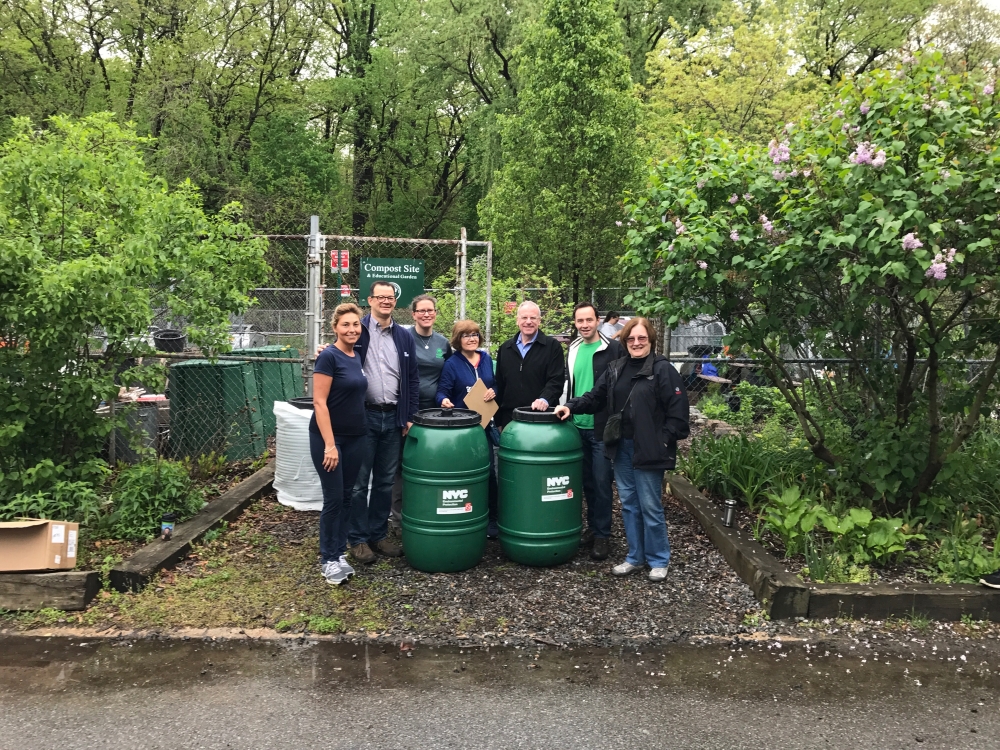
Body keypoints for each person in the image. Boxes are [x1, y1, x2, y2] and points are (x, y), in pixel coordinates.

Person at [554, 317, 689, 582]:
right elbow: (596, 395)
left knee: (650, 505)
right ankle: (635, 557)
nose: (636, 343)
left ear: (651, 340)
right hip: (621, 446)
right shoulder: (616, 367)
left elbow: (678, 414)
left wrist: (662, 440)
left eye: (641, 338)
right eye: (631, 339)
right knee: (628, 504)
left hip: (649, 449)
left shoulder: (662, 370)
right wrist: (571, 406)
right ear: (625, 341)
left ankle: (659, 559)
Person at [348, 280, 420, 565]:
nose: (386, 301)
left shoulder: (403, 337)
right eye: (380, 297)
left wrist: (410, 416)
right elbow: (339, 353)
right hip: (363, 416)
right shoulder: (359, 331)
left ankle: (378, 535)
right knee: (358, 482)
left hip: (393, 418)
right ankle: (357, 538)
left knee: (385, 482)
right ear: (370, 300)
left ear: (395, 302)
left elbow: (412, 380)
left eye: (390, 297)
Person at [309, 303, 368, 585]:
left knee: (347, 497)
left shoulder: (356, 355)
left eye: (355, 324)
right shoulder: (328, 358)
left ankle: (339, 552)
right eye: (345, 325)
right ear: (335, 328)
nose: (352, 329)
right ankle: (327, 560)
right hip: (329, 439)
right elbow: (319, 403)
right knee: (333, 499)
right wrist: (329, 445)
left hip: (356, 436)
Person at [564, 302, 624, 561]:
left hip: (600, 427)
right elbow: (569, 384)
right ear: (575, 323)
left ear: (598, 321)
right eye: (580, 321)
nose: (585, 325)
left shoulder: (613, 349)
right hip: (576, 425)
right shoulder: (573, 348)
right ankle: (590, 528)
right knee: (584, 481)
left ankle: (602, 535)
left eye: (589, 320)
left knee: (601, 483)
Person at [389, 294, 452, 530]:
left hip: (435, 412)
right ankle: (398, 519)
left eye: (430, 310)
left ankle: (429, 510)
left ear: (436, 313)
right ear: (413, 314)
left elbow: (451, 373)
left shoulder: (443, 343)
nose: (426, 314)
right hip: (408, 411)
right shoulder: (403, 338)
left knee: (432, 461)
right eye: (421, 311)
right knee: (402, 463)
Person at [436, 319, 500, 538]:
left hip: (485, 425)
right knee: (466, 473)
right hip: (464, 429)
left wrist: (494, 391)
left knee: (490, 472)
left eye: (474, 334)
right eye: (466, 335)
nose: (471, 338)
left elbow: (496, 383)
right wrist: (444, 400)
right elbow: (441, 391)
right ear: (458, 339)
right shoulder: (452, 363)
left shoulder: (486, 358)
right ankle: (465, 514)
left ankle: (492, 518)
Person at [494, 301, 565, 428]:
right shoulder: (505, 348)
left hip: (542, 417)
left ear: (539, 321)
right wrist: (498, 420)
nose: (528, 321)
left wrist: (545, 399)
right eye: (524, 317)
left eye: (533, 318)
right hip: (510, 418)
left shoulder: (552, 347)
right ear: (517, 320)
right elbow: (500, 384)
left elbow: (556, 380)